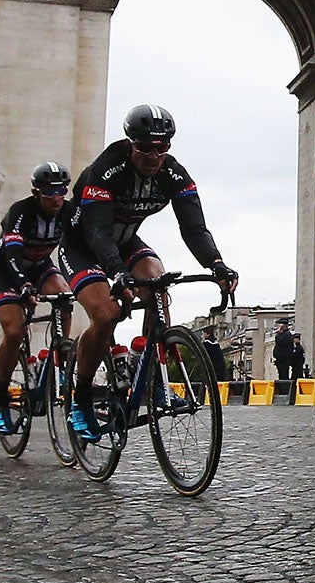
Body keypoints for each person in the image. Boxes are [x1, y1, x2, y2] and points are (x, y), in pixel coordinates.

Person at [61, 106, 237, 442]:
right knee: (106, 314)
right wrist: (116, 274)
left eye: (163, 147)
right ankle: (80, 398)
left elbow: (194, 227)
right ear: (130, 144)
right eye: (146, 148)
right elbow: (97, 232)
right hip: (83, 244)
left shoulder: (173, 174)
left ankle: (152, 379)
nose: (155, 156)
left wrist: (216, 265)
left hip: (125, 241)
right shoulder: (106, 169)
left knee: (157, 279)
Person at [0, 162, 76, 434]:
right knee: (14, 332)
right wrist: (24, 286)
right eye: (50, 193)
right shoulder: (20, 212)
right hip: (7, 269)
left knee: (65, 296)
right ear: (36, 193)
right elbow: (12, 254)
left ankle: (59, 357)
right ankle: (1, 398)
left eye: (62, 191)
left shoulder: (68, 212)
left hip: (39, 266)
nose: (57, 198)